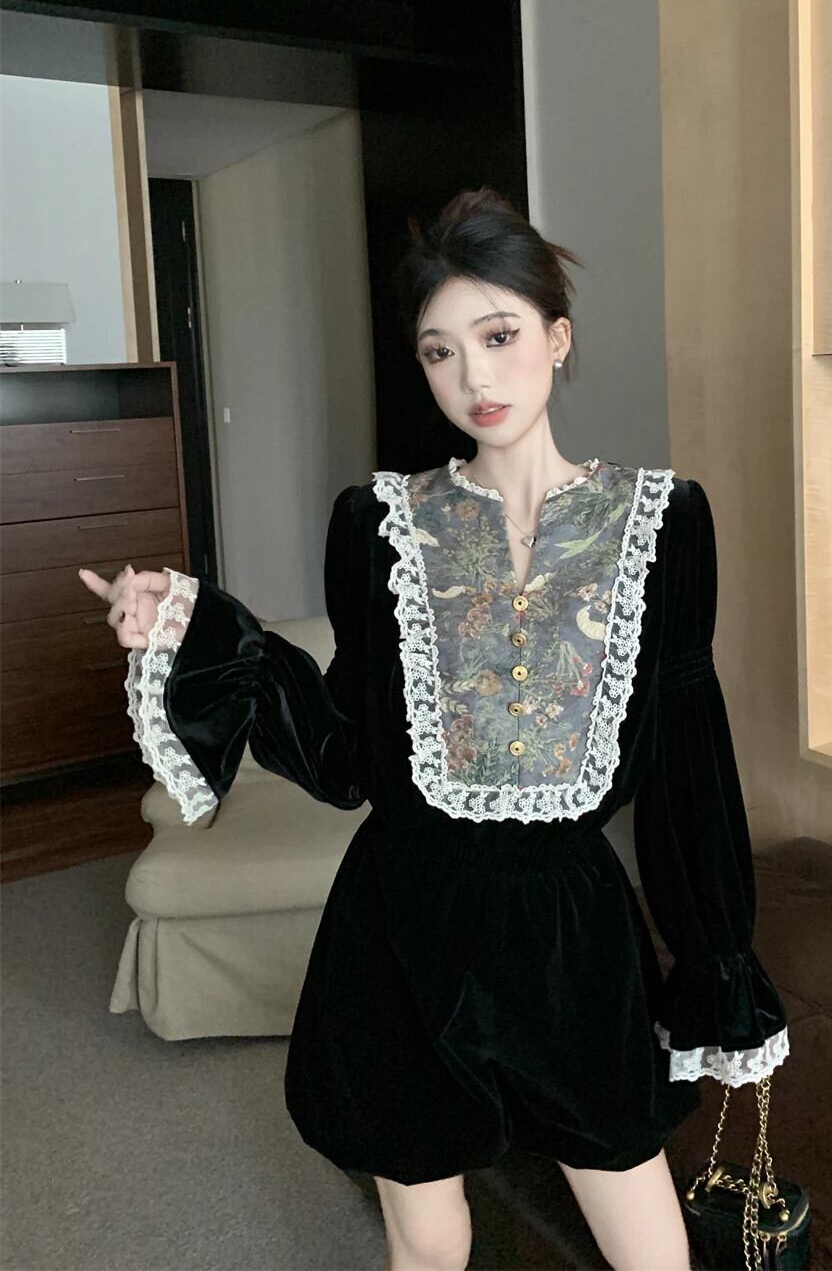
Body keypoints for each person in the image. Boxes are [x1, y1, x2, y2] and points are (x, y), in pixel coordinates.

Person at [79, 187, 789, 1271]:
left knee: (650, 1246)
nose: (474, 379)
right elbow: (346, 754)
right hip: (401, 921)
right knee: (424, 1239)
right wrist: (188, 623)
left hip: (569, 931)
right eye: (440, 352)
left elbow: (690, 759)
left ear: (557, 338)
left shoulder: (664, 521)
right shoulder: (376, 525)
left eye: (499, 336)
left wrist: (716, 956)